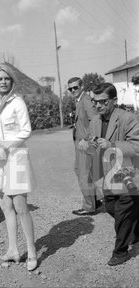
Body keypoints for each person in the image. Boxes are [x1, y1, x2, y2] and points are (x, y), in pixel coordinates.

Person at [0, 63, 37, 271]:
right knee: (5, 205)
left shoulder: (17, 102)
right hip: (1, 160)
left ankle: (32, 253)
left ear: (11, 81)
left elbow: (26, 131)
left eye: (6, 78)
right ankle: (14, 250)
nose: (3, 82)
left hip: (16, 158)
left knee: (21, 207)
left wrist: (6, 148)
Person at [80, 82, 139, 266]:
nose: (98, 106)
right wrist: (85, 145)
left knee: (122, 214)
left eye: (103, 102)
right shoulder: (95, 121)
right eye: (95, 101)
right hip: (108, 176)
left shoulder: (128, 118)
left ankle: (120, 252)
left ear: (114, 100)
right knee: (111, 208)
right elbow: (91, 143)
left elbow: (137, 146)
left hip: (129, 175)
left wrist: (112, 145)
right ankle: (135, 228)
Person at [68, 77, 98, 216]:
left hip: (84, 144)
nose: (73, 90)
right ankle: (94, 200)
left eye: (75, 87)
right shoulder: (79, 100)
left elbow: (95, 121)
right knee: (81, 171)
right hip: (80, 143)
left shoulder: (85, 100)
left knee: (83, 174)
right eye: (70, 88)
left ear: (81, 86)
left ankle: (89, 206)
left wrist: (86, 139)